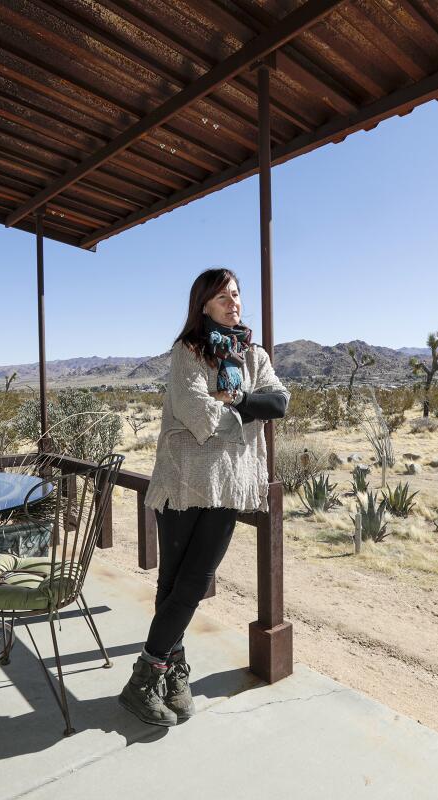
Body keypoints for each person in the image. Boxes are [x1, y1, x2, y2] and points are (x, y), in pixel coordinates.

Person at [118, 267, 289, 727]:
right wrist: (243, 408)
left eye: (235, 295)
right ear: (203, 306)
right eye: (222, 298)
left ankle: (156, 672)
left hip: (228, 483)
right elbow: (198, 415)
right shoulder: (187, 352)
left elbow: (280, 404)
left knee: (192, 582)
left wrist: (232, 399)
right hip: (182, 480)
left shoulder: (254, 354)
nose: (233, 303)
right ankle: (157, 676)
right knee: (176, 584)